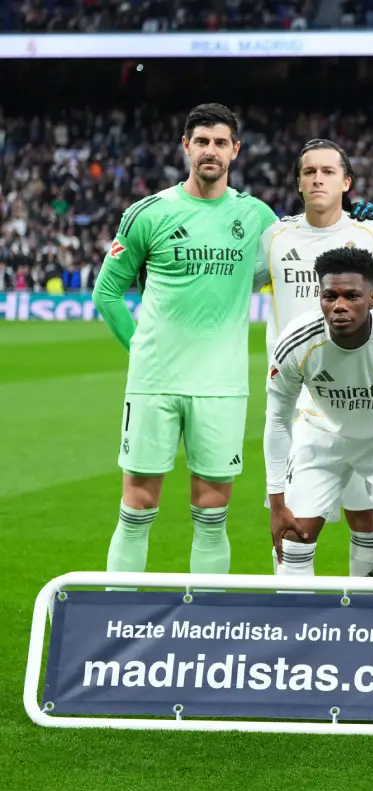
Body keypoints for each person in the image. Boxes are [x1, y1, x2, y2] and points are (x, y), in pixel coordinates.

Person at [93, 103, 277, 578]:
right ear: (186, 147)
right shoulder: (148, 213)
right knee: (135, 509)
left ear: (235, 150)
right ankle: (116, 621)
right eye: (201, 141)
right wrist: (141, 350)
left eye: (220, 142)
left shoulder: (256, 216)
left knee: (212, 517)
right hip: (154, 382)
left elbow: (282, 269)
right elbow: (107, 292)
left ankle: (204, 624)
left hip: (222, 385)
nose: (210, 151)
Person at [259, 138, 373, 578]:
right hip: (296, 396)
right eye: (309, 172)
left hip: (360, 391)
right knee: (292, 527)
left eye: (327, 171)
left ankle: (365, 617)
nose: (317, 178)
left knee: (366, 517)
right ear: (299, 183)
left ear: (347, 182)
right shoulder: (275, 236)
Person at [264, 247, 373, 580]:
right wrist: (276, 501)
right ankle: (298, 629)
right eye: (330, 296)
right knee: (291, 541)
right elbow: (277, 420)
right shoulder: (296, 341)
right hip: (321, 435)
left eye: (352, 296)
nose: (339, 306)